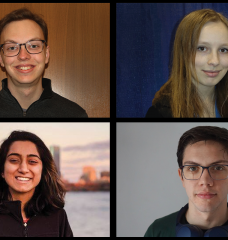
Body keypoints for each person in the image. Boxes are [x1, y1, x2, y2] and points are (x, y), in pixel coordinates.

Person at [0, 8, 88, 118]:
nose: (23, 56)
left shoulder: (75, 115)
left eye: (33, 46)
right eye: (12, 47)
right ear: (1, 59)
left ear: (46, 55)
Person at [144, 126, 228, 237]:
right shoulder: (157, 231)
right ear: (182, 177)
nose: (205, 181)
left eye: (218, 168)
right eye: (193, 168)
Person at [145, 9, 228, 118]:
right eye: (202, 48)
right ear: (183, 53)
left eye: (223, 50)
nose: (215, 61)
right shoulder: (161, 114)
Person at [0, 131, 73, 237]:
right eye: (14, 160)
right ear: (2, 170)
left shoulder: (58, 217)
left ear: (42, 170)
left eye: (32, 161)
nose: (23, 169)